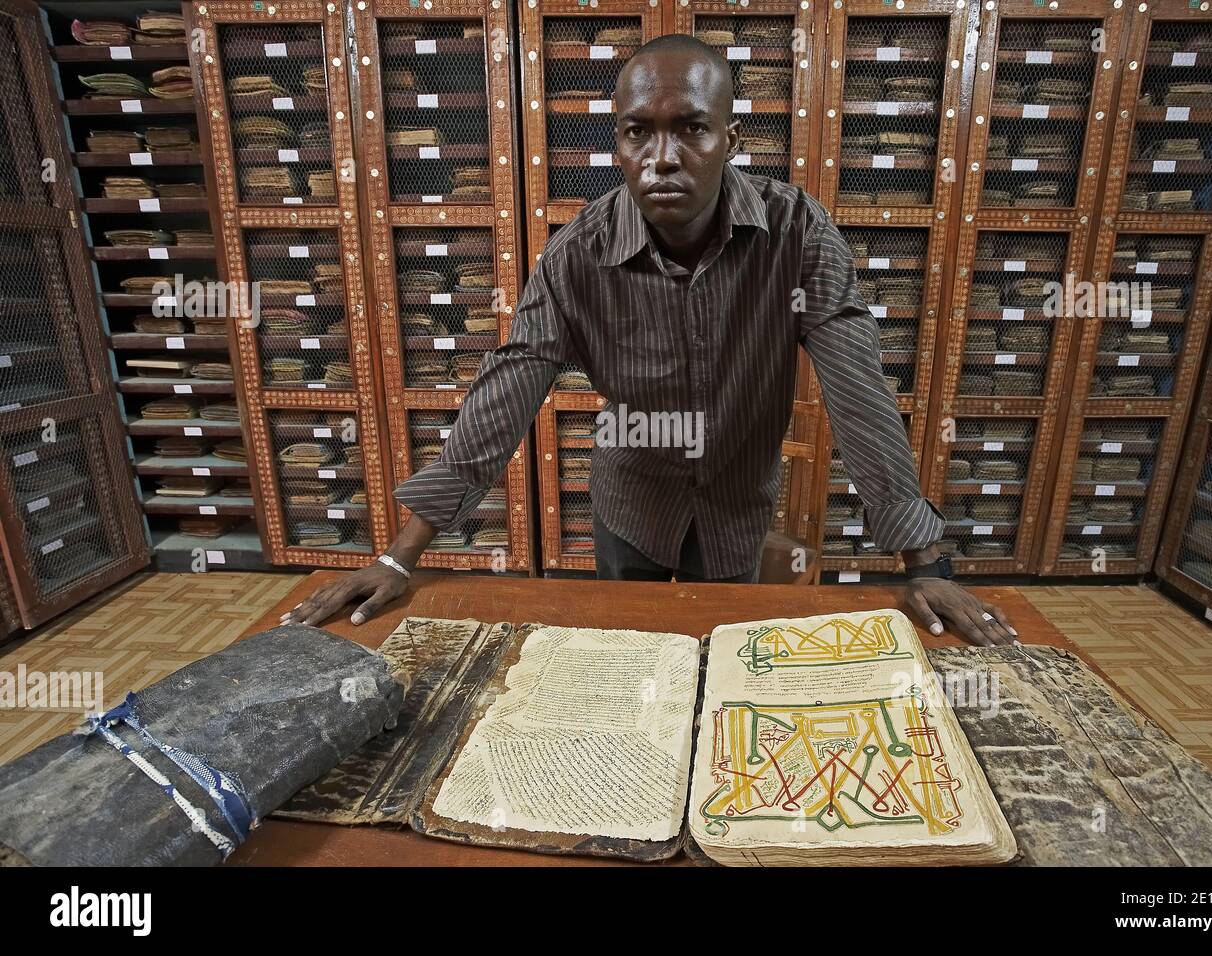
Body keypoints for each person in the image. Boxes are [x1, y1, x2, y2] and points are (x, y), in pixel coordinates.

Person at [284, 34, 1018, 646]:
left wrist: (926, 563)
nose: (662, 157)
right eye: (639, 132)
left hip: (736, 503)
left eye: (690, 129)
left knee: (717, 657)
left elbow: (858, 394)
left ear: (730, 139)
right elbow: (506, 391)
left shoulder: (797, 235)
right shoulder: (578, 254)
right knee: (631, 658)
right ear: (619, 143)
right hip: (630, 503)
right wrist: (400, 556)